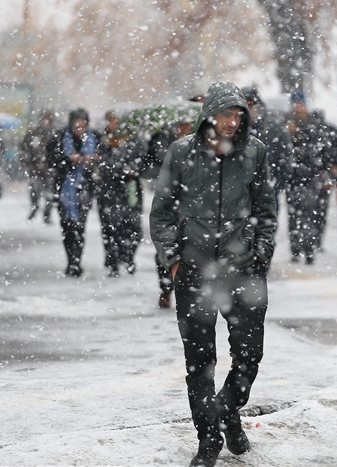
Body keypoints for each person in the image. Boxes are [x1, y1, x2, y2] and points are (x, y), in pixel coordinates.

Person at [150, 81, 277, 467]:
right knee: (199, 363)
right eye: (225, 114)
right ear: (209, 115)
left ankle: (227, 408)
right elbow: (162, 213)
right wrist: (173, 262)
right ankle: (208, 439)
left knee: (248, 356)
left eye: (238, 115)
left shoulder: (255, 153)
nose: (232, 123)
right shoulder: (181, 153)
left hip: (242, 272)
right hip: (194, 271)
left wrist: (260, 256)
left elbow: (267, 212)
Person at [145, 116, 194, 308]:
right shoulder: (163, 139)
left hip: (192, 204)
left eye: (188, 125)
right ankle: (166, 288)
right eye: (181, 124)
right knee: (166, 248)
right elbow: (151, 164)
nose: (184, 128)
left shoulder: (203, 143)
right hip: (169, 201)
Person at [48, 108, 99, 277]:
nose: (80, 128)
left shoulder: (94, 138)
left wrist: (92, 161)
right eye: (76, 125)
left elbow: (102, 161)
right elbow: (52, 161)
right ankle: (70, 259)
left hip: (84, 188)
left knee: (79, 227)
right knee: (67, 228)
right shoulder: (59, 138)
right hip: (64, 190)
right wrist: (69, 159)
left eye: (83, 125)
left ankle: (76, 262)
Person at [96, 111, 147, 277]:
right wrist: (120, 169)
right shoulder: (102, 142)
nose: (114, 125)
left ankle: (128, 256)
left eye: (117, 121)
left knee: (133, 228)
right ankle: (113, 261)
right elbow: (102, 165)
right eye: (111, 121)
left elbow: (143, 161)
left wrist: (134, 169)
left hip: (130, 190)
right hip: (108, 190)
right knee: (110, 228)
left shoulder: (134, 141)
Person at [286, 92, 333, 265]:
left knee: (310, 214)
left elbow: (318, 148)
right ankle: (295, 249)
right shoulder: (287, 122)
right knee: (294, 216)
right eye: (295, 104)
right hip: (293, 177)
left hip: (310, 177)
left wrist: (296, 133)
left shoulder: (312, 124)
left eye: (300, 104)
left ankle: (309, 249)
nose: (297, 108)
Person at [243, 87, 293, 211]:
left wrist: (273, 187)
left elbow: (286, 160)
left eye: (251, 105)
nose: (249, 109)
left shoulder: (274, 129)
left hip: (266, 197)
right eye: (245, 104)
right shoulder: (230, 130)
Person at [311, 109, 337, 250]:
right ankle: (317, 241)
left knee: (314, 211)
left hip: (315, 177)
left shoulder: (314, 132)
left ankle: (313, 240)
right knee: (321, 211)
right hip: (323, 177)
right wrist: (335, 165)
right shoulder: (331, 131)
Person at [20, 110, 58, 223]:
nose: (46, 121)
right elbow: (23, 147)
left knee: (49, 193)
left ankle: (47, 214)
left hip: (49, 168)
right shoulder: (33, 132)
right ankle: (34, 208)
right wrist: (25, 162)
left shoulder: (54, 133)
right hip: (35, 167)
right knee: (34, 190)